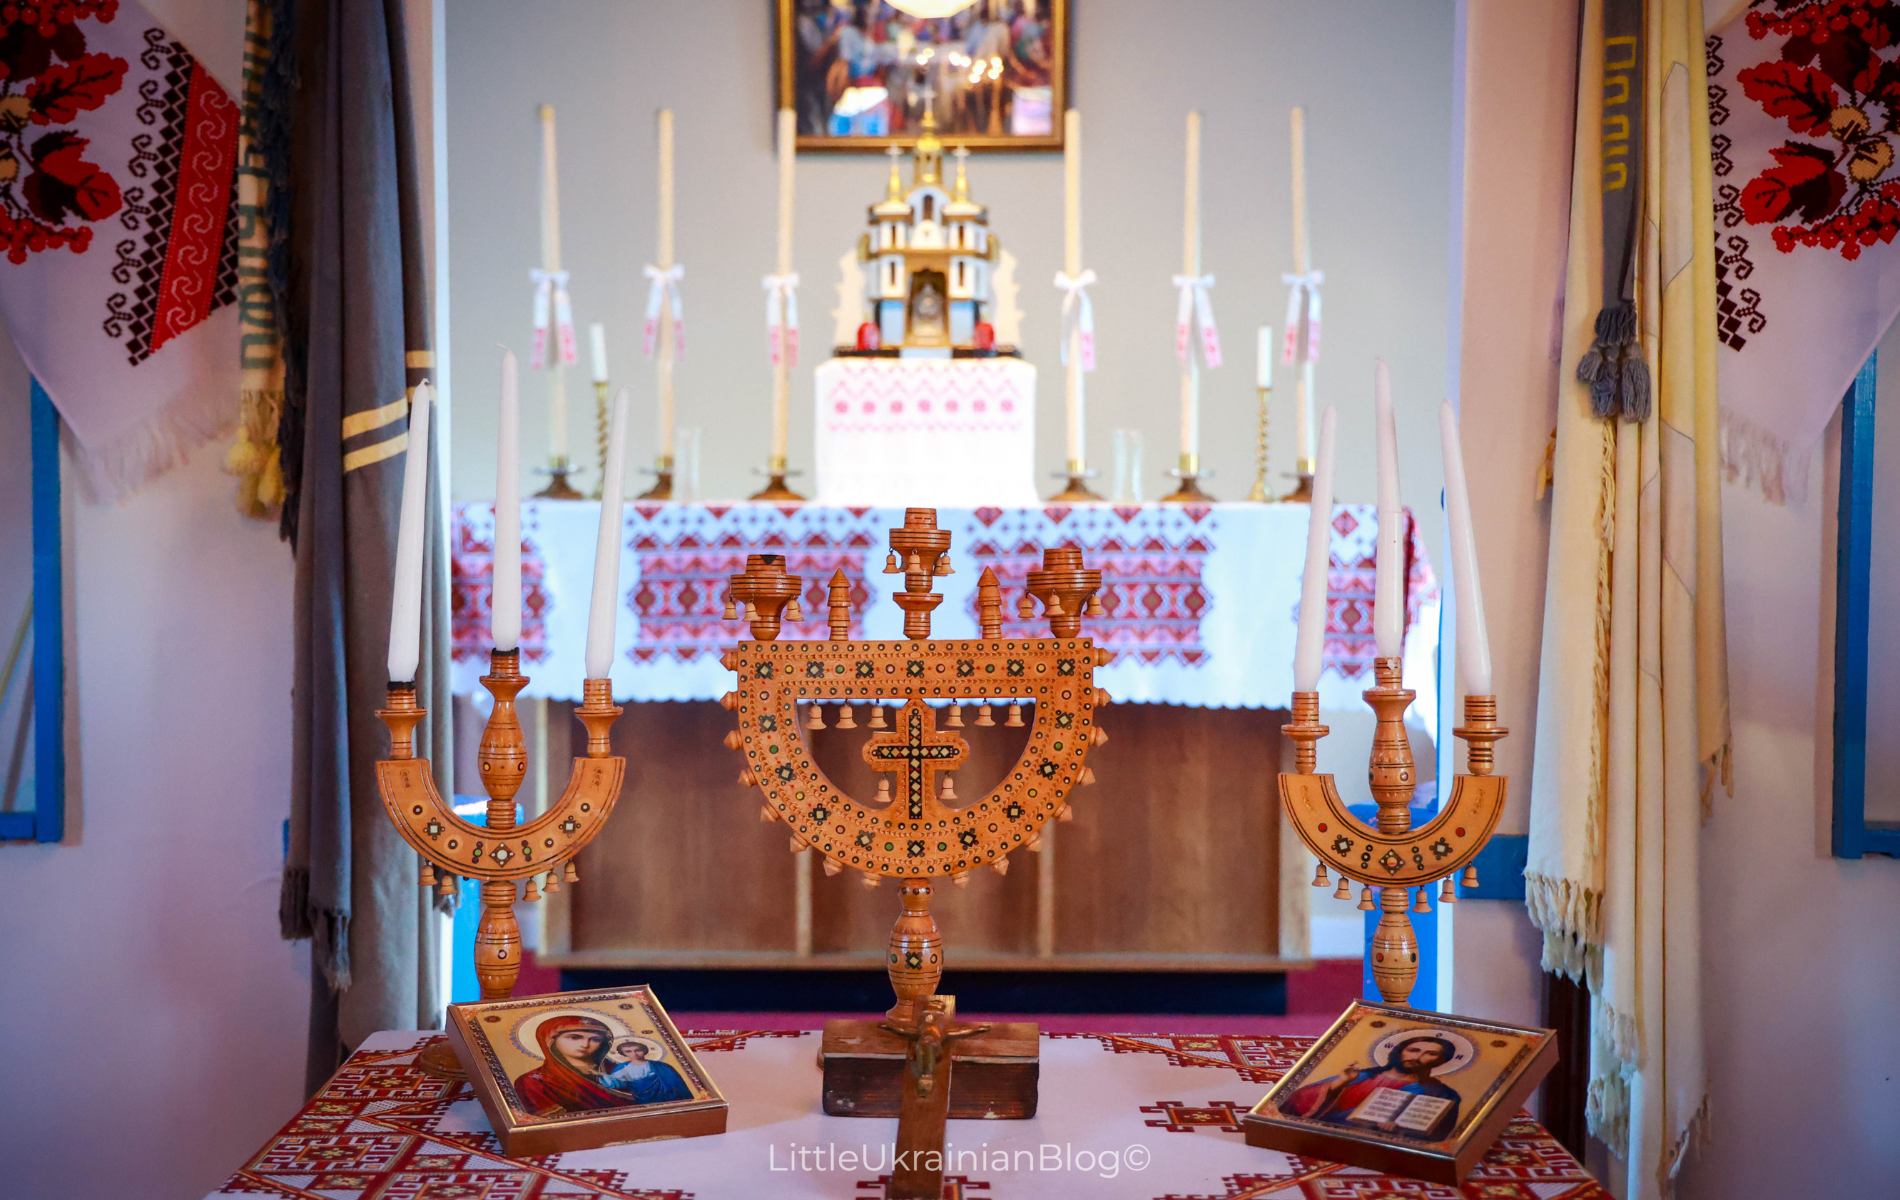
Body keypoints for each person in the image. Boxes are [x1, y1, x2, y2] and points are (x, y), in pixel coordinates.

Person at [1283, 1033, 1464, 1141]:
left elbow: (1439, 1137)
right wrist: (1340, 1082)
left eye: (1430, 1053)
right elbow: (1295, 1101)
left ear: (1441, 1060)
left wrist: (1402, 1130)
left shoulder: (1443, 1094)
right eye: (1413, 1050)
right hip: (1316, 1138)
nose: (1417, 1057)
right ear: (1400, 1052)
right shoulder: (1362, 1076)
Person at [511, 1015, 637, 1117]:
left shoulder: (620, 1070)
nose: (585, 1044)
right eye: (574, 1037)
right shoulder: (534, 1082)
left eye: (595, 1039)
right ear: (550, 1040)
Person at [604, 1038, 694, 1104]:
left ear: (644, 1050)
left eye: (638, 1050)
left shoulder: (661, 1066)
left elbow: (677, 1083)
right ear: (623, 1053)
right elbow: (615, 1081)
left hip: (667, 1097)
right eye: (628, 1051)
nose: (634, 1054)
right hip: (642, 1099)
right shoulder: (623, 1068)